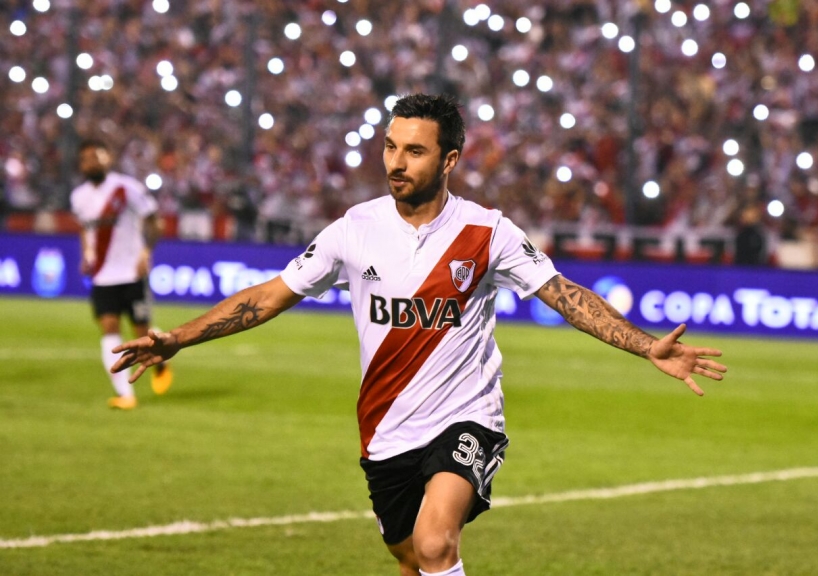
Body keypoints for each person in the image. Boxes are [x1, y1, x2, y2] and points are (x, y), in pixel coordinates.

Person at [111, 94, 726, 575]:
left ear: (449, 160)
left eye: (413, 151)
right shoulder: (354, 229)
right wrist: (178, 338)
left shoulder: (487, 232)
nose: (395, 163)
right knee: (412, 559)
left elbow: (564, 295)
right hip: (385, 431)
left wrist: (645, 344)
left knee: (435, 543)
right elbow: (269, 296)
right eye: (390, 147)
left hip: (467, 418)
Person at [71, 138, 173, 410]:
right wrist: (86, 254)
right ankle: (125, 394)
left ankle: (161, 359)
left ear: (107, 158)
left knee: (142, 333)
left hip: (131, 272)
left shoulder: (126, 188)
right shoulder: (78, 197)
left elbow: (155, 222)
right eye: (85, 159)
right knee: (109, 329)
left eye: (96, 156)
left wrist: (146, 253)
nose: (91, 162)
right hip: (102, 275)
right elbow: (84, 228)